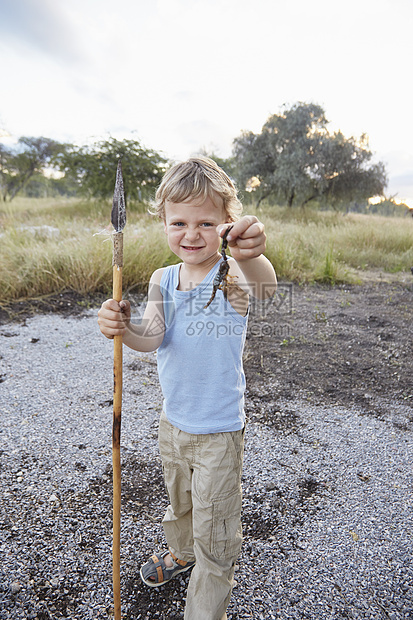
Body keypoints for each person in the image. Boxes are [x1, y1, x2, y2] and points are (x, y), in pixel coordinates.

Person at [98, 156, 277, 620]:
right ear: (163, 222)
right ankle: (181, 552)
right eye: (179, 222)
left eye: (206, 222)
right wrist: (122, 328)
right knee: (179, 505)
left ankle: (204, 598)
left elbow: (266, 289)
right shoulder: (163, 278)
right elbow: (152, 337)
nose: (191, 234)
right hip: (172, 423)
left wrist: (250, 254)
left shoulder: (233, 275)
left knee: (215, 533)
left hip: (218, 432)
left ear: (226, 225)